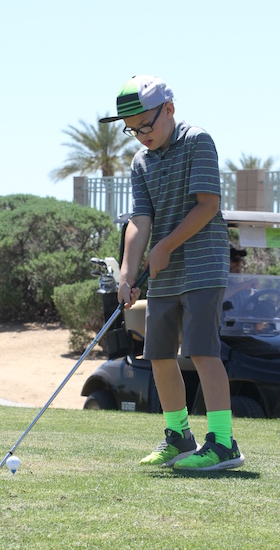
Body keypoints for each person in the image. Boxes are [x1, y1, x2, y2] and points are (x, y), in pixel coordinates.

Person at [99, 75, 244, 471]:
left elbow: (207, 205)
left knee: (200, 351)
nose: (142, 135)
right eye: (133, 130)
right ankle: (179, 437)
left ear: (170, 109)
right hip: (163, 274)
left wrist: (165, 246)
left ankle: (223, 443)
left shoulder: (198, 141)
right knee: (159, 355)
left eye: (147, 125)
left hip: (202, 267)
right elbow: (139, 220)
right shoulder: (140, 161)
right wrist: (128, 274)